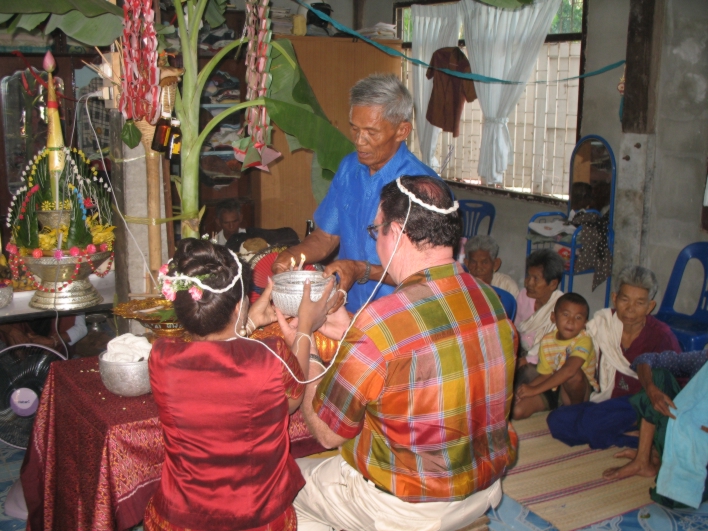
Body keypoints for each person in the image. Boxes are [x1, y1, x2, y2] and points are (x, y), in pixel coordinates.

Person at [279, 176, 517, 531]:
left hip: (407, 509)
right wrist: (350, 333)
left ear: (396, 232)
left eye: (376, 232)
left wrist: (308, 344)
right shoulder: (491, 301)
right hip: (483, 491)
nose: (377, 242)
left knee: (284, 485)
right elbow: (425, 355)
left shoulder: (380, 323)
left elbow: (328, 434)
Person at [144, 238, 334, 531]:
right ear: (238, 307)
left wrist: (246, 323)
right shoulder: (268, 356)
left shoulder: (161, 356)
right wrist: (305, 328)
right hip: (257, 518)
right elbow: (293, 399)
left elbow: (213, 349)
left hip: (179, 518)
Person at [271, 74, 438, 313]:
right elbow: (327, 237)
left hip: (400, 315)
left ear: (402, 131)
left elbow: (426, 276)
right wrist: (292, 255)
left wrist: (361, 269)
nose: (360, 141)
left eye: (372, 132)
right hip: (350, 309)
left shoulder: (423, 188)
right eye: (355, 129)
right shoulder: (350, 168)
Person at [547, 266, 681, 449]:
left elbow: (676, 384)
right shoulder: (604, 323)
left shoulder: (661, 336)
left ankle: (642, 433)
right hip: (607, 401)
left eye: (640, 303)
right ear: (615, 298)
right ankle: (633, 437)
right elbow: (574, 347)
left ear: (650, 307)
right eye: (625, 300)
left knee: (591, 423)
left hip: (639, 405)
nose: (630, 309)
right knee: (556, 419)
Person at [602, 349, 708, 509]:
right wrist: (651, 390)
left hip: (700, 449)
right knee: (658, 376)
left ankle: (661, 459)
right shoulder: (702, 360)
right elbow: (644, 359)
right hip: (682, 429)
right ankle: (643, 460)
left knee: (675, 498)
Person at [514, 293, 598, 419]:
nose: (571, 321)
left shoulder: (584, 340)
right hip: (552, 388)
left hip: (576, 392)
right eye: (565, 314)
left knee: (574, 375)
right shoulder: (547, 341)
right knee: (517, 411)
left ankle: (576, 413)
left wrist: (535, 390)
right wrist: (524, 391)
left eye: (578, 317)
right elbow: (545, 375)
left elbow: (569, 371)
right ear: (553, 317)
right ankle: (557, 408)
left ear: (585, 323)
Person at [515, 249, 565, 366]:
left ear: (552, 284)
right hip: (521, 350)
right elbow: (515, 328)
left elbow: (555, 345)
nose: (529, 283)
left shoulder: (562, 307)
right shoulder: (524, 295)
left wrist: (527, 360)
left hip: (544, 358)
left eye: (536, 279)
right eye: (528, 276)